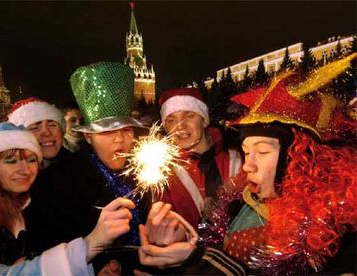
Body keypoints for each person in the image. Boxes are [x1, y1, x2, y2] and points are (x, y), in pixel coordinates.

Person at [137, 53, 357, 275]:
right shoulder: (238, 202)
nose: (247, 166)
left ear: (299, 157)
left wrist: (201, 260)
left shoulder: (332, 227)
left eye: (261, 151)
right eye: (246, 152)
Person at [0, 122, 135, 275]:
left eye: (31, 159)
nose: (24, 170)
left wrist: (93, 269)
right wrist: (89, 245)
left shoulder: (29, 205)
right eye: (11, 160)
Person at [25, 62, 148, 273]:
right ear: (88, 136)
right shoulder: (55, 183)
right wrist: (95, 268)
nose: (120, 138)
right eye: (107, 131)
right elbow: (44, 252)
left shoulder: (146, 173)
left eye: (126, 130)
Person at [158, 87, 241, 229]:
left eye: (189, 116)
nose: (180, 126)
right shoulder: (161, 175)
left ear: (204, 121)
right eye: (171, 120)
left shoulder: (237, 161)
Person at [8, 97, 70, 168]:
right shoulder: (10, 175)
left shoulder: (80, 167)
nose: (47, 133)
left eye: (52, 125)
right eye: (35, 127)